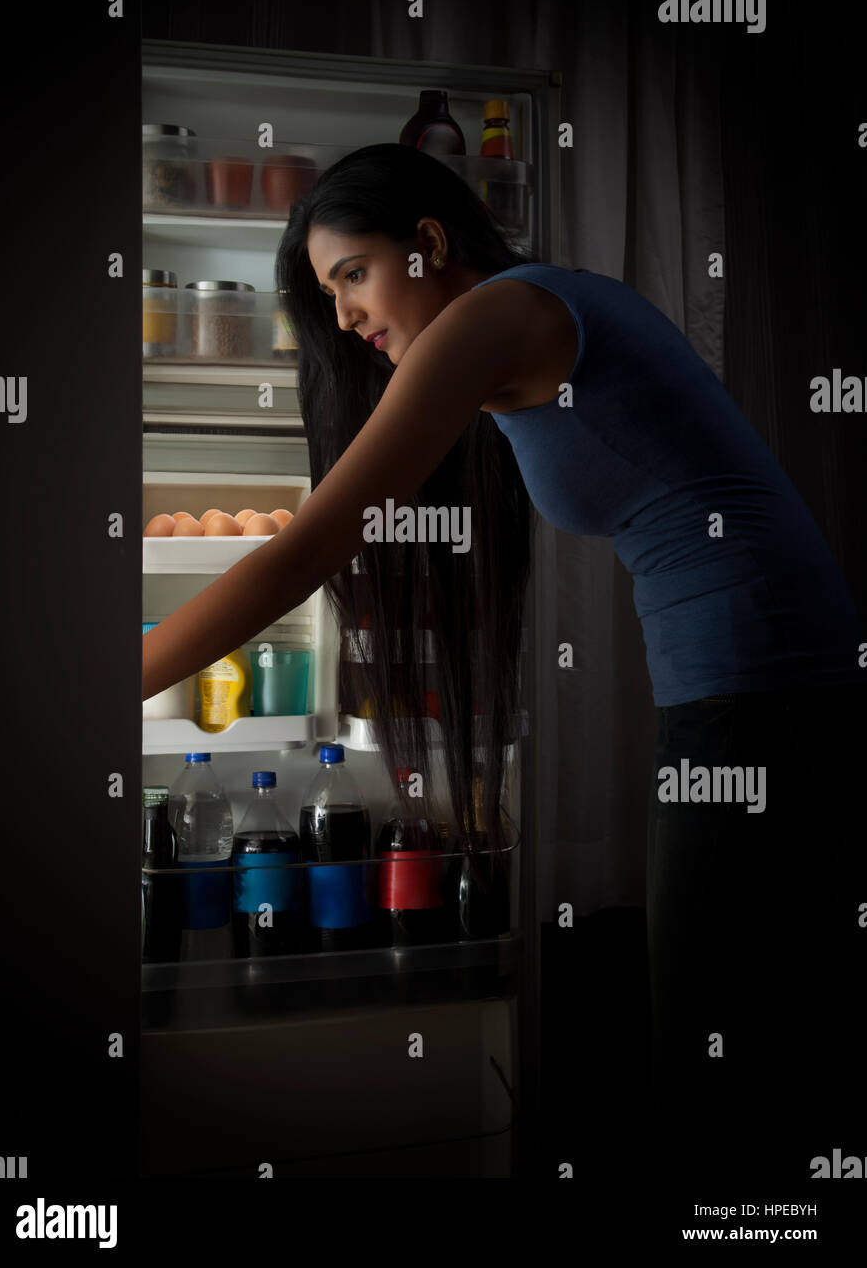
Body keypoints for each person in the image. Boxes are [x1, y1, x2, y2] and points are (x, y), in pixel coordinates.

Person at [142, 143, 865, 1175]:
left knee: (722, 1038)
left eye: (353, 274)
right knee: (755, 1019)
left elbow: (307, 550)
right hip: (755, 677)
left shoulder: (495, 317)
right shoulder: (521, 321)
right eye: (328, 292)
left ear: (428, 244)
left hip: (761, 683)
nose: (343, 316)